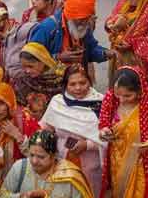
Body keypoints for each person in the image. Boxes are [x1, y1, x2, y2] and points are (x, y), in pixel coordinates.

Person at [98, 67, 148, 198]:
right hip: (117, 161)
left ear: (140, 90)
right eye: (118, 94)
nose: (121, 100)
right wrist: (104, 131)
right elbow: (104, 122)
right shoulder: (111, 98)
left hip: (144, 165)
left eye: (128, 95)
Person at [39, 65, 105, 196]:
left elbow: (110, 136)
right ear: (65, 85)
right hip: (62, 161)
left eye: (82, 82)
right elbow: (45, 128)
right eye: (72, 84)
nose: (78, 88)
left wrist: (87, 144)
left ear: (89, 81)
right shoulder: (57, 102)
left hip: (91, 166)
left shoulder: (101, 103)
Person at [0, 130, 94, 198]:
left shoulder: (71, 177)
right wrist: (21, 196)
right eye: (31, 155)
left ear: (54, 156)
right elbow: (1, 195)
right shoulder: (20, 167)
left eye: (41, 157)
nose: (34, 161)